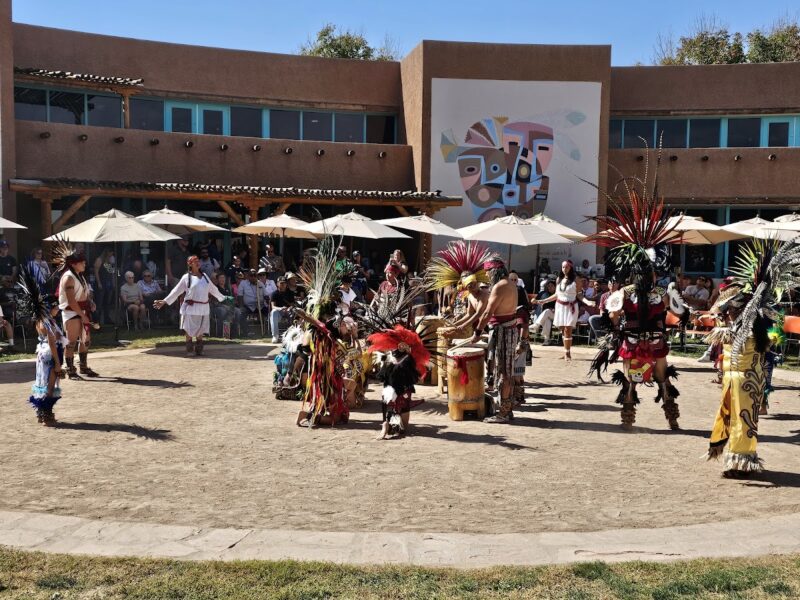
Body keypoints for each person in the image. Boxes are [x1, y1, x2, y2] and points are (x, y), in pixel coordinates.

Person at [585, 160, 684, 431]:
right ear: (651, 273)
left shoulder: (623, 294)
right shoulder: (662, 293)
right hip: (656, 341)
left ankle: (628, 416)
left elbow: (611, 315)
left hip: (630, 341)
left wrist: (618, 328)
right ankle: (671, 418)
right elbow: (678, 312)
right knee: (664, 378)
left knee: (630, 380)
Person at [704, 240, 800, 477]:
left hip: (748, 379)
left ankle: (742, 462)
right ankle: (735, 460)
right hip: (734, 378)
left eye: (731, 310)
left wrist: (770, 330)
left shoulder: (757, 323)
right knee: (732, 418)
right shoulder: (739, 324)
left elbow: (774, 340)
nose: (727, 314)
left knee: (744, 421)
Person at [471, 258, 520, 423]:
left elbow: (487, 313)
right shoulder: (511, 284)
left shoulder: (499, 287)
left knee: (505, 372)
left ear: (494, 271)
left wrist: (477, 332)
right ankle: (506, 410)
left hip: (504, 332)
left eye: (487, 272)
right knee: (506, 371)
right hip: (509, 330)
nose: (486, 275)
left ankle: (503, 414)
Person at [18, 268, 66, 425]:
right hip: (50, 355)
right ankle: (46, 414)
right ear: (50, 307)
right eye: (56, 308)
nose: (57, 311)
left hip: (43, 354)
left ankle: (41, 413)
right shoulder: (47, 322)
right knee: (49, 386)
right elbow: (52, 342)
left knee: (42, 384)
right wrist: (58, 363)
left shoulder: (41, 321)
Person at [154, 255, 225, 356]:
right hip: (191, 308)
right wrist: (164, 301)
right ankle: (190, 350)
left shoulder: (204, 276)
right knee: (189, 329)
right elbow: (176, 291)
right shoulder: (186, 277)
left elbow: (213, 289)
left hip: (203, 308)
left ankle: (199, 349)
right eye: (194, 261)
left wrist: (223, 298)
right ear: (190, 264)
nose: (197, 262)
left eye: (198, 261)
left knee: (201, 330)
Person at [55, 241, 98, 379]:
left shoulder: (79, 275)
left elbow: (83, 294)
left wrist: (90, 302)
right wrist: (82, 315)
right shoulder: (68, 278)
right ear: (74, 264)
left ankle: (83, 367)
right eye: (82, 262)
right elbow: (72, 301)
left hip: (82, 310)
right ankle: (70, 368)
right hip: (71, 312)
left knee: (86, 340)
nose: (84, 264)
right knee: (71, 341)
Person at [534, 260, 592, 361]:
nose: (564, 269)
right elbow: (557, 295)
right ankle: (565, 351)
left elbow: (579, 294)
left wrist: (587, 302)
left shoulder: (576, 279)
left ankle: (568, 353)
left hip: (571, 307)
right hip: (560, 306)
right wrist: (543, 301)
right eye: (563, 267)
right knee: (562, 329)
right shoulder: (558, 279)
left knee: (568, 329)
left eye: (567, 267)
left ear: (571, 268)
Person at [236, 269, 269, 335]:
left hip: (260, 305)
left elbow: (266, 295)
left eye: (255, 275)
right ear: (248, 276)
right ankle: (247, 332)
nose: (253, 277)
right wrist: (241, 306)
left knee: (270, 312)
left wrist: (268, 300)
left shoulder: (260, 283)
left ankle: (268, 331)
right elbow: (239, 296)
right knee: (241, 313)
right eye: (251, 275)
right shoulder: (243, 283)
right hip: (248, 306)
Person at [92, 247, 117, 325]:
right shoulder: (99, 260)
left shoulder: (108, 261)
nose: (111, 254)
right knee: (99, 303)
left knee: (107, 302)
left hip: (108, 283)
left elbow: (111, 272)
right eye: (110, 253)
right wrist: (99, 283)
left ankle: (107, 318)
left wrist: (113, 283)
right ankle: (97, 320)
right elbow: (96, 272)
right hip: (101, 282)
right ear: (107, 252)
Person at [269, 276, 296, 343]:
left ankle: (292, 334)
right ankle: (275, 336)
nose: (283, 285)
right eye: (281, 283)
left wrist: (289, 308)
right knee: (273, 312)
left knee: (295, 311)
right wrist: (280, 308)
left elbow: (292, 304)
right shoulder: (274, 294)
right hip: (279, 311)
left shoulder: (290, 293)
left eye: (284, 283)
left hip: (289, 310)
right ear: (277, 284)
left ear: (286, 284)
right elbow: (273, 306)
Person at [531, 280, 556, 344]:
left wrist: (554, 309)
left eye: (552, 286)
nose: (550, 287)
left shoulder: (557, 295)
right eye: (548, 286)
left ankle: (537, 325)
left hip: (556, 315)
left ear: (555, 287)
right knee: (547, 320)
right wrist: (534, 300)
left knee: (547, 311)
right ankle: (547, 340)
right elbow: (536, 301)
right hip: (546, 315)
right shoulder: (544, 293)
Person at [0, 275, 17, 347]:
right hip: (6, 310)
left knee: (6, 323)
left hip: (15, 310)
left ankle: (11, 344)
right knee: (6, 322)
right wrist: (8, 304)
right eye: (8, 281)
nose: (9, 283)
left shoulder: (14, 290)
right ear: (2, 282)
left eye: (11, 281)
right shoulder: (0, 291)